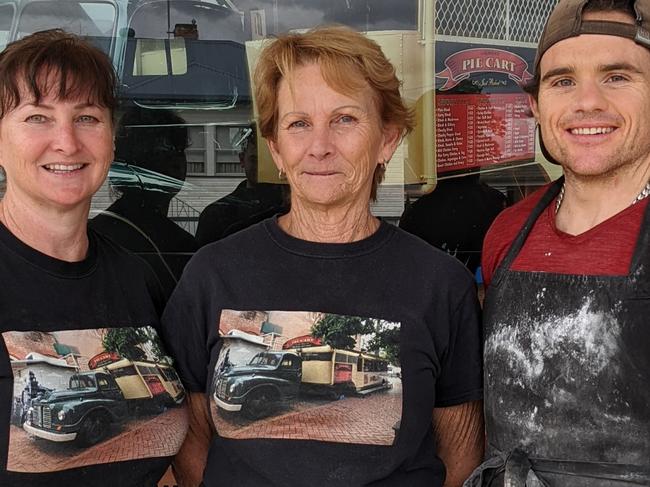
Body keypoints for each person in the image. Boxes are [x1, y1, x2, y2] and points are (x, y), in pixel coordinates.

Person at [162, 25, 484, 487]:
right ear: (275, 146)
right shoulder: (214, 274)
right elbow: (188, 433)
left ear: (387, 140)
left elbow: (460, 455)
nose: (320, 146)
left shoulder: (439, 283)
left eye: (345, 119)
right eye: (298, 124)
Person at [470, 0, 650, 485]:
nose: (586, 102)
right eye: (563, 80)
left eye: (617, 76)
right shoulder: (506, 233)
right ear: (535, 105)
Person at [0, 30, 187, 486]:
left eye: (86, 117)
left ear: (112, 139)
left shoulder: (137, 278)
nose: (66, 142)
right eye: (37, 117)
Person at [90, 107, 198, 294]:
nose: (177, 161)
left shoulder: (94, 233)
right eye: (160, 152)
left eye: (179, 150)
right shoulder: (179, 244)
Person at [194, 125, 289, 246]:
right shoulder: (216, 214)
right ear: (242, 160)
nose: (261, 167)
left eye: (266, 161)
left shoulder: (296, 209)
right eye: (254, 160)